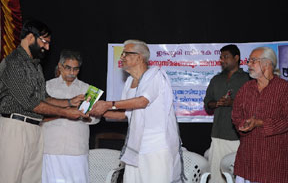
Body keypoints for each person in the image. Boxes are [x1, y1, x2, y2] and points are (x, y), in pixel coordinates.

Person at [0, 19, 88, 183]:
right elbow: (31, 103)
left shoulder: (36, 65)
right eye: (44, 42)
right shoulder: (13, 63)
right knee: (9, 179)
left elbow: (44, 98)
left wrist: (70, 102)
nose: (47, 47)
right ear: (30, 37)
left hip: (36, 129)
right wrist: (65, 113)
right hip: (16, 128)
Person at [88, 39, 184, 183]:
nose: (122, 57)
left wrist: (108, 104)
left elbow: (142, 102)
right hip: (135, 148)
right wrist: (96, 111)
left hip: (156, 147)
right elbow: (126, 114)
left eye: (125, 53)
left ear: (139, 56)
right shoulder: (129, 82)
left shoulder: (155, 76)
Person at [41, 49, 99, 183]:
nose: (72, 73)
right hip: (51, 148)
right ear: (60, 66)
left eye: (76, 69)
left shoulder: (87, 89)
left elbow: (96, 119)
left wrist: (87, 115)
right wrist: (67, 110)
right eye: (68, 68)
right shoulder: (46, 87)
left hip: (77, 149)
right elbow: (38, 113)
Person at [232, 47, 288, 183]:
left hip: (272, 163)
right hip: (247, 160)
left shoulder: (283, 88)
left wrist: (260, 123)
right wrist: (243, 124)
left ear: (267, 64)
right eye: (249, 61)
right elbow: (235, 115)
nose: (249, 64)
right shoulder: (246, 88)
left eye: (253, 61)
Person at [203, 44, 250, 183]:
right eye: (221, 57)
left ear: (236, 58)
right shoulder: (216, 80)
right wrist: (215, 103)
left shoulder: (247, 80)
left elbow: (252, 106)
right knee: (216, 176)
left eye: (226, 57)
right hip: (218, 135)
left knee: (237, 176)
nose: (222, 60)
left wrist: (232, 103)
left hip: (239, 137)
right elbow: (207, 102)